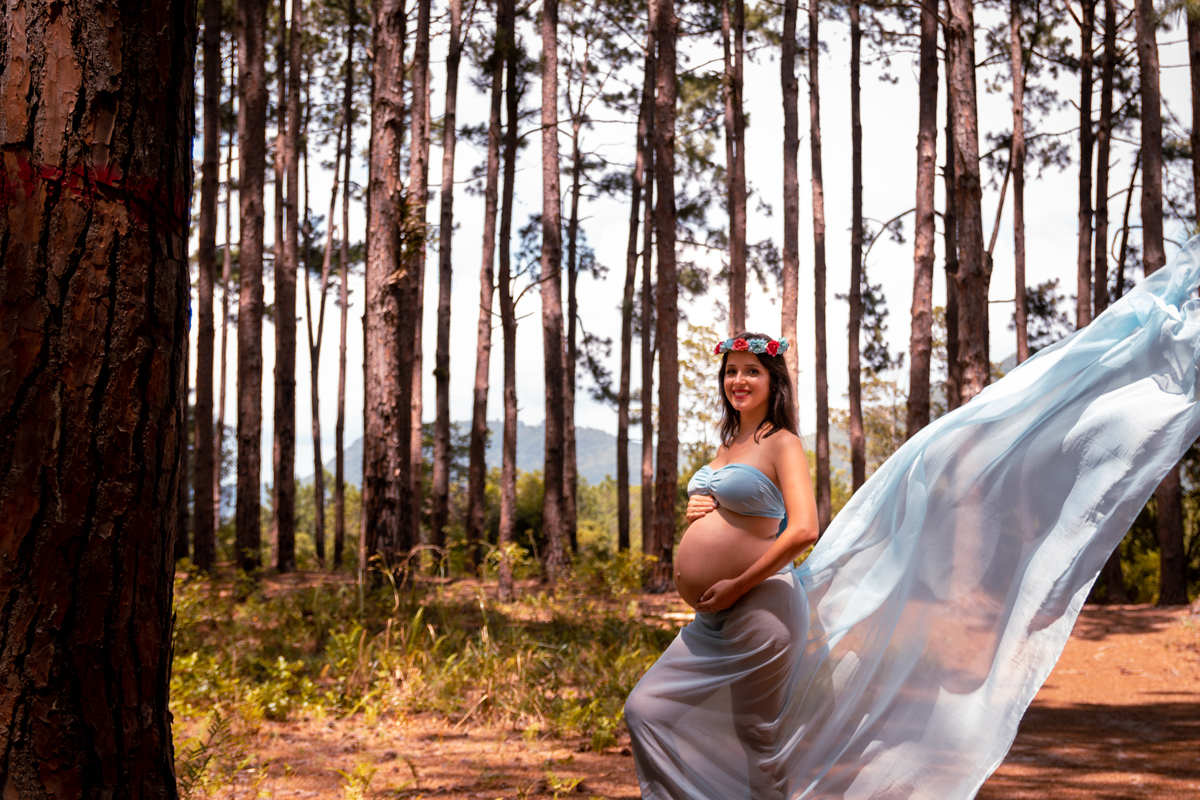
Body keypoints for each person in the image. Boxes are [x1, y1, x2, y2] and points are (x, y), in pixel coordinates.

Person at [624, 238, 1200, 800]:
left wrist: (736, 583)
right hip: (714, 616)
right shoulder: (727, 444)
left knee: (755, 737)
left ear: (773, 382)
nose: (740, 381)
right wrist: (703, 508)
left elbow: (802, 530)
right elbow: (740, 517)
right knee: (646, 709)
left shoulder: (782, 443)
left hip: (757, 608)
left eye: (753, 370)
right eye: (732, 371)